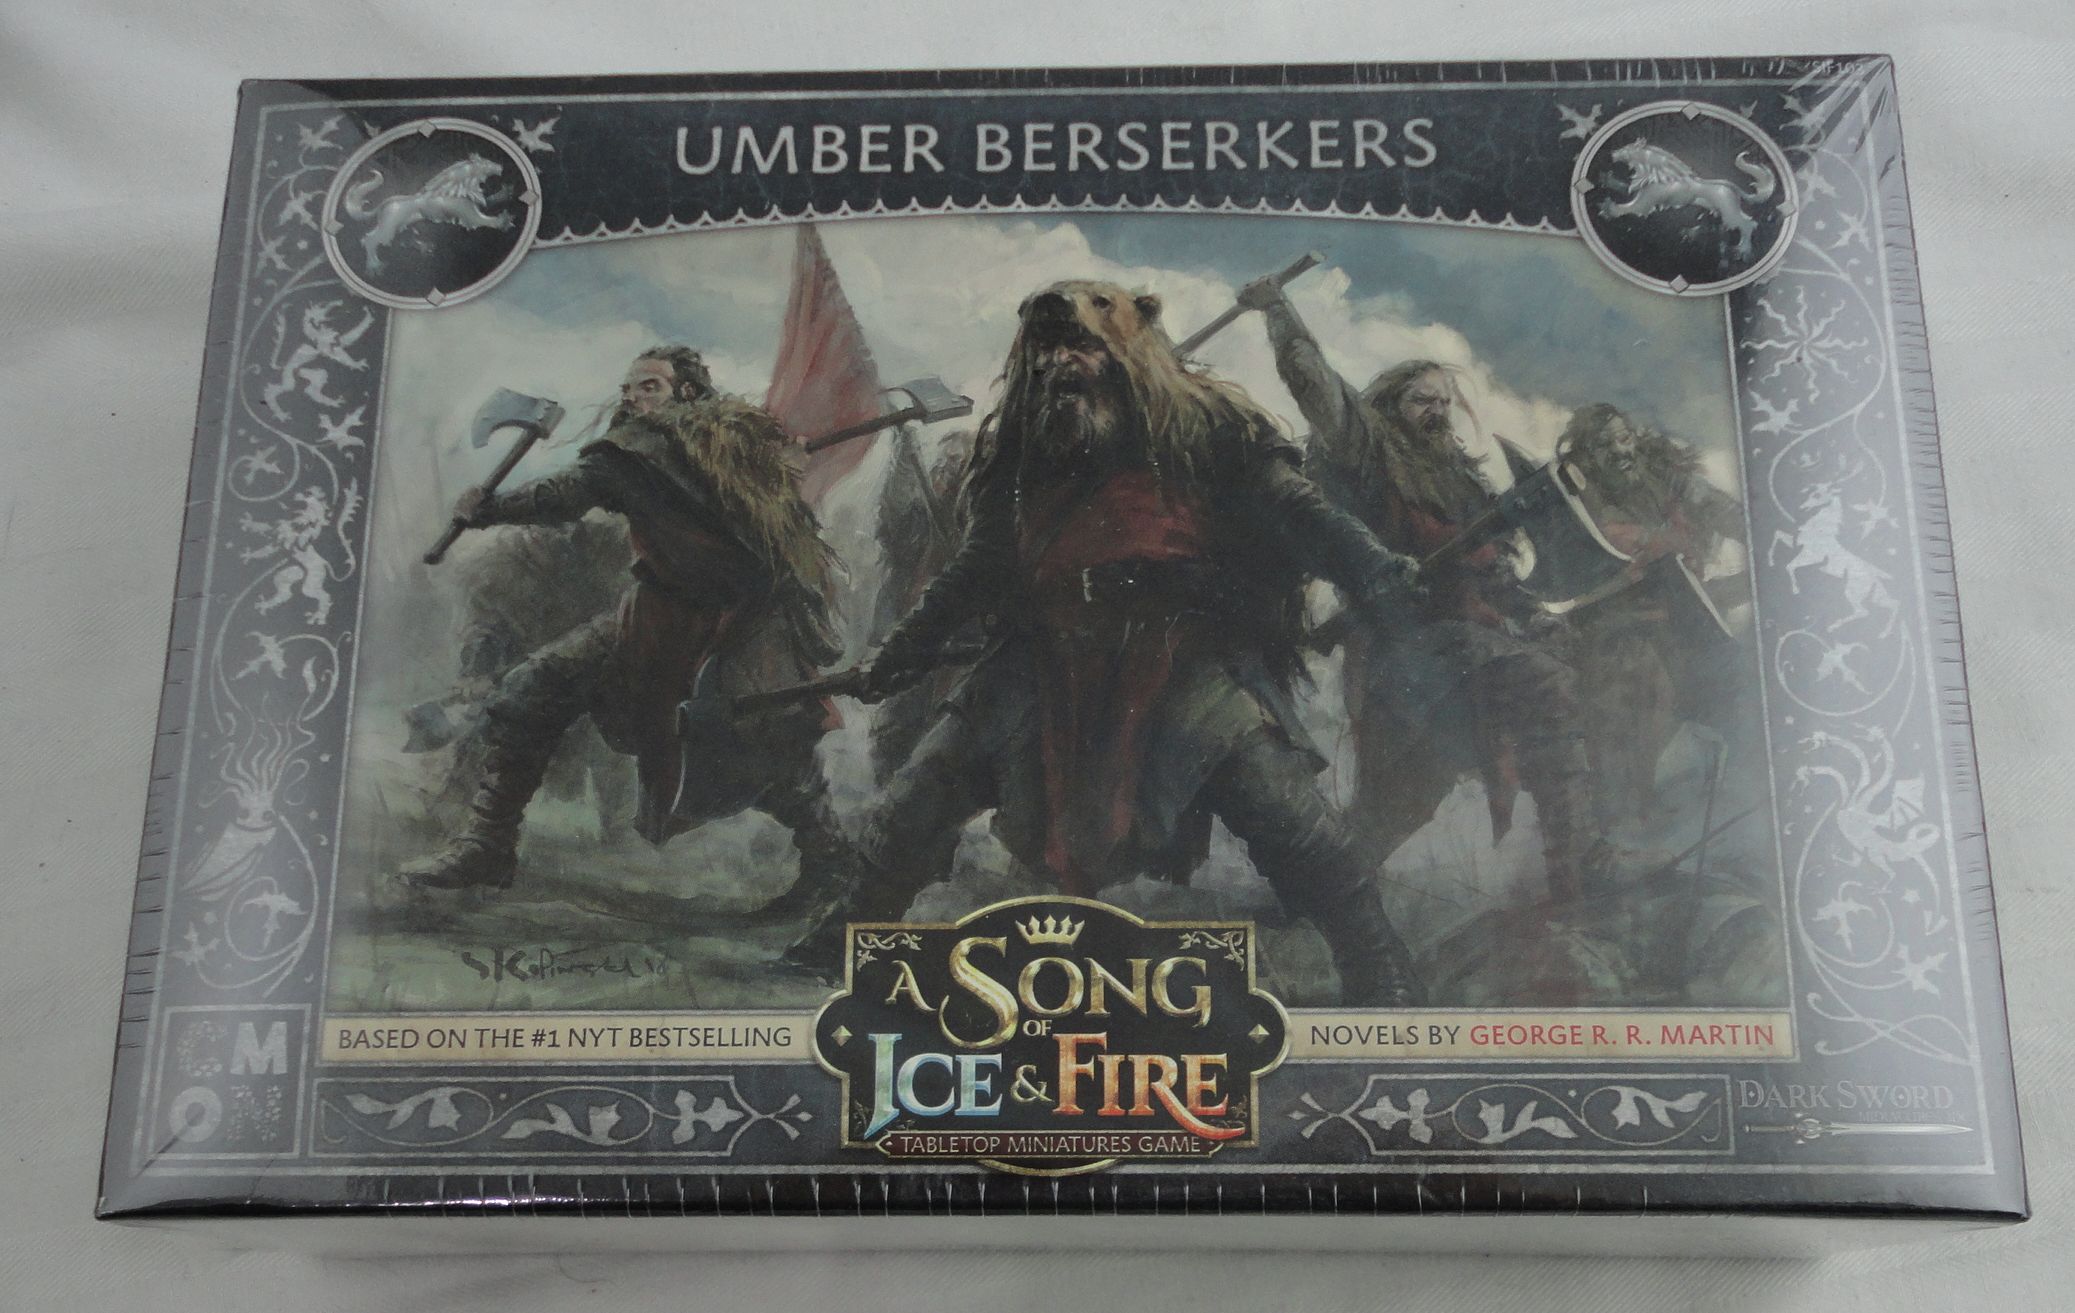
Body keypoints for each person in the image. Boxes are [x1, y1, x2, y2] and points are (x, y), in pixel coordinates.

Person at [788, 281, 1427, 1006]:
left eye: (1082, 344)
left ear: (1130, 346)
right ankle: (841, 937)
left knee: (1282, 811)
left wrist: (1373, 567)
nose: (1061, 362)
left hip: (1176, 651)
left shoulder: (1213, 426)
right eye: (1047, 349)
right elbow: (979, 566)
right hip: (1043, 655)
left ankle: (1378, 964)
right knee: (922, 794)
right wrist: (902, 650)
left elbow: (1299, 511)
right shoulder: (1017, 451)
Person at [397, 345, 857, 916]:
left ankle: (832, 862)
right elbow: (575, 493)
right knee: (534, 687)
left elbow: (565, 495)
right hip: (662, 614)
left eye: (649, 387)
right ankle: (487, 845)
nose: (632, 398)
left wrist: (486, 508)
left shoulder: (701, 451)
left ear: (686, 393)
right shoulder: (697, 451)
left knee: (764, 745)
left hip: (741, 624)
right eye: (628, 389)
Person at [1242, 278, 1607, 899]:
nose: (1437, 411)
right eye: (1421, 400)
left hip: (1467, 645)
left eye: (1443, 401)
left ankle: (1317, 894)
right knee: (1544, 686)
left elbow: (1492, 572)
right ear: (1390, 404)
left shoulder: (1461, 482)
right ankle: (1578, 870)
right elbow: (1318, 388)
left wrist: (1532, 614)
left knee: (1404, 801)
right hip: (1406, 646)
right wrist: (1280, 311)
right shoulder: (1368, 453)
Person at [1559, 403, 1749, 826]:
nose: (1619, 451)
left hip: (1684, 612)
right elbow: (1608, 548)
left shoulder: (1666, 477)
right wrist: (1656, 541)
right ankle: (1625, 814)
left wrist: (1763, 540)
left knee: (1737, 680)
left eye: (1624, 439)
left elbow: (1723, 511)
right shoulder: (1580, 494)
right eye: (1604, 446)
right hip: (1618, 623)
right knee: (1640, 685)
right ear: (1587, 455)